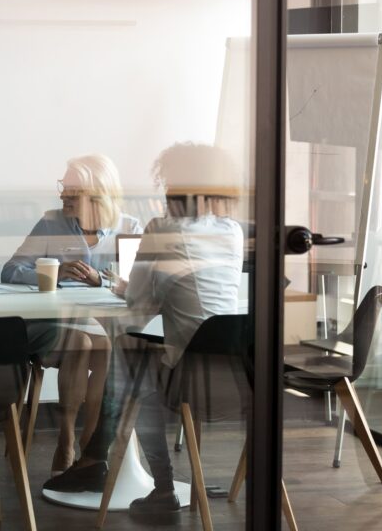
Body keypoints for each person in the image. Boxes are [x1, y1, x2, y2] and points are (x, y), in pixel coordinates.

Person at [45, 143, 243, 519]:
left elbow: (137, 309)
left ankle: (156, 485)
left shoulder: (163, 229)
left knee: (127, 355)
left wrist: (125, 288)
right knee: (130, 355)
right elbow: (167, 293)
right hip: (234, 371)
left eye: (167, 181)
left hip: (186, 374)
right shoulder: (231, 232)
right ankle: (94, 459)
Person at [1, 153, 142, 475]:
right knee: (81, 342)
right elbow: (10, 271)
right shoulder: (52, 222)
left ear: (97, 193)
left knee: (102, 345)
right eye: (63, 187)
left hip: (105, 327)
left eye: (72, 190)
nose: (62, 195)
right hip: (56, 325)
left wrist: (102, 280)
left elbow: (137, 287)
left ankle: (91, 445)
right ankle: (66, 440)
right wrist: (54, 273)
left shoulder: (129, 227)